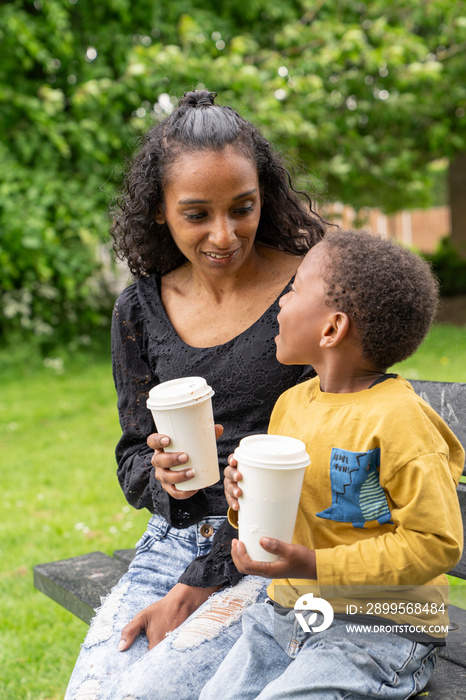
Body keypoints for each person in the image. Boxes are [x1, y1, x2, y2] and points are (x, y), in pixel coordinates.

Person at [64, 89, 327, 700]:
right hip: (174, 538)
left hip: (274, 542)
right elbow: (132, 454)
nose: (224, 234)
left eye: (243, 207)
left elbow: (336, 442)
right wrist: (164, 477)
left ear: (266, 194)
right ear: (159, 211)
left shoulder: (311, 288)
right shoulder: (139, 308)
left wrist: (202, 581)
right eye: (197, 214)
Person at [201, 229, 464, 700]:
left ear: (331, 329)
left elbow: (434, 543)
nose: (281, 301)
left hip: (379, 629)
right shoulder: (291, 404)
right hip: (290, 615)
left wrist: (315, 563)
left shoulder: (399, 422)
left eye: (295, 288)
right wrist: (241, 498)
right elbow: (287, 507)